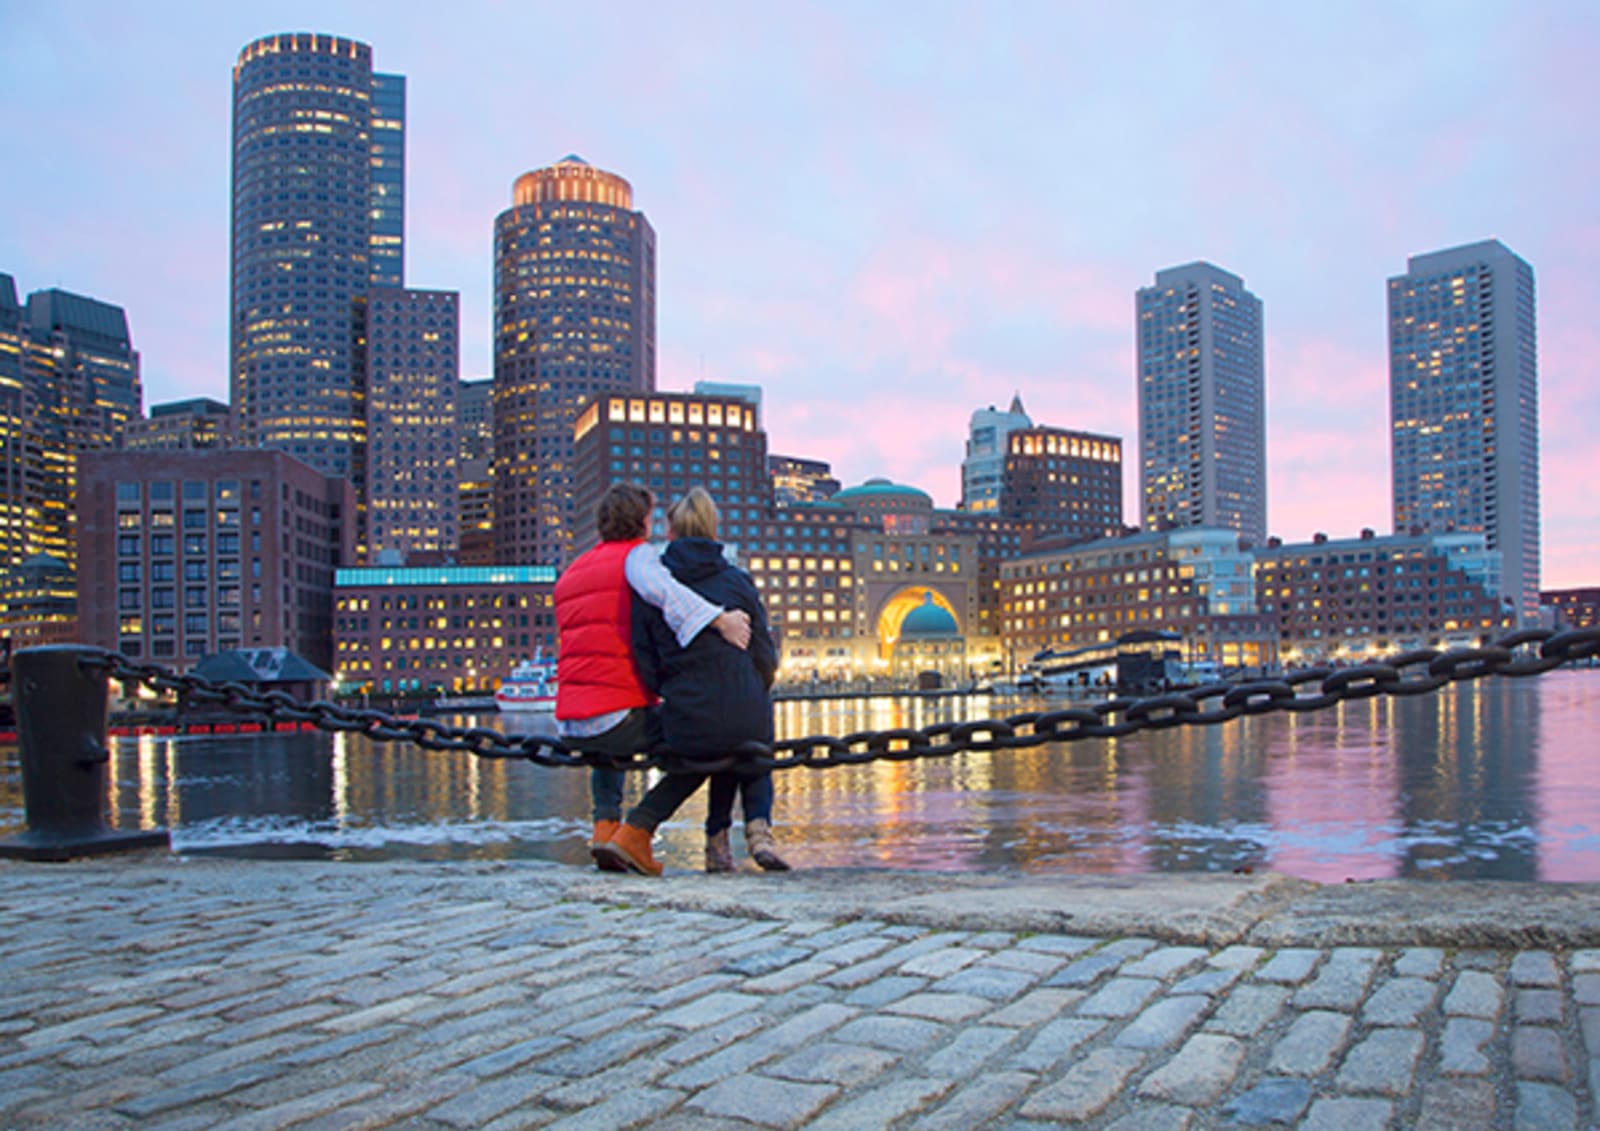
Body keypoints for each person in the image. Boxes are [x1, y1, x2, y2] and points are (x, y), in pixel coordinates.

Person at [553, 482, 751, 866]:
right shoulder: (637, 558)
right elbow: (667, 594)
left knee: (607, 741)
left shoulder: (574, 569)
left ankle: (605, 828)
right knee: (707, 742)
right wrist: (721, 619)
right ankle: (638, 830)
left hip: (572, 722)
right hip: (616, 715)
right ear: (643, 521)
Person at [594, 487, 787, 876]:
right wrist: (752, 686)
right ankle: (756, 828)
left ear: (671, 531)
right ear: (714, 528)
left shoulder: (654, 583)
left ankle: (716, 842)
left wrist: (672, 691)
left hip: (688, 713)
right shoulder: (738, 581)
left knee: (712, 731)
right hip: (744, 712)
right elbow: (765, 655)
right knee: (746, 729)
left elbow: (646, 660)